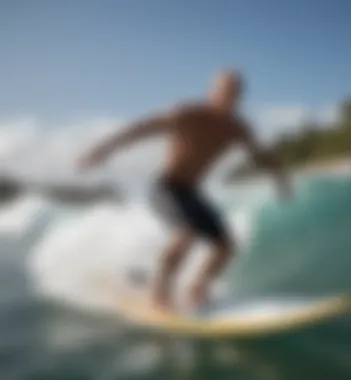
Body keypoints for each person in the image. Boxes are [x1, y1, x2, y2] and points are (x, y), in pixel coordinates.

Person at [77, 69, 291, 311]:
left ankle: (198, 288)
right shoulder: (189, 114)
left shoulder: (237, 129)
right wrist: (103, 149)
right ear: (213, 92)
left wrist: (281, 180)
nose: (230, 96)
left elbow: (261, 156)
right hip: (165, 188)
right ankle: (160, 291)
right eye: (225, 91)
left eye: (235, 92)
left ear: (240, 96)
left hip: (191, 193)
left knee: (226, 246)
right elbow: (142, 129)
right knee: (186, 233)